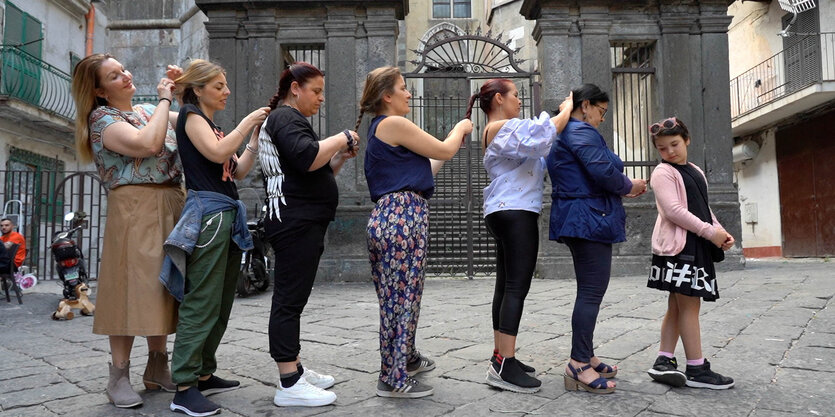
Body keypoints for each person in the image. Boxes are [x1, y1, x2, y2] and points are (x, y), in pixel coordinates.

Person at [70, 53, 184, 408]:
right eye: (114, 75)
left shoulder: (150, 111)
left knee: (162, 286)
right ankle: (118, 375)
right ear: (100, 90)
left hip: (170, 201)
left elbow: (193, 125)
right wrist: (167, 99)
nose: (126, 76)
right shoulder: (102, 119)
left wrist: (185, 94)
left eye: (123, 70)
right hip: (133, 206)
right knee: (128, 289)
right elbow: (148, 145)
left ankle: (157, 366)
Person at [357, 66, 473, 398]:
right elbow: (444, 150)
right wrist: (460, 128)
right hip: (401, 218)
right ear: (387, 96)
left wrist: (453, 142)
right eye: (404, 88)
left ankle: (404, 359)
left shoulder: (386, 130)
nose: (410, 94)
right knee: (401, 300)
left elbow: (427, 169)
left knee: (403, 297)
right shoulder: (392, 123)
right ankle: (392, 377)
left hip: (398, 216)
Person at [163, 59, 270, 416]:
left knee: (221, 301)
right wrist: (247, 123)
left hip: (224, 213)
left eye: (225, 85)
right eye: (219, 86)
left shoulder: (210, 125)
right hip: (209, 217)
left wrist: (252, 138)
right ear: (198, 90)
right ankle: (184, 387)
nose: (226, 91)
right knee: (202, 301)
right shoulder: (192, 119)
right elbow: (217, 153)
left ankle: (204, 373)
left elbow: (235, 169)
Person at [258, 62, 358, 407]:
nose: (321, 99)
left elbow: (314, 167)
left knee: (293, 299)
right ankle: (288, 382)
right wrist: (341, 138)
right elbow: (307, 156)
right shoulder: (285, 117)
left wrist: (338, 156)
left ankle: (295, 369)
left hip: (301, 220)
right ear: (295, 88)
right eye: (316, 91)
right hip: (294, 221)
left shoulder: (291, 121)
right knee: (288, 300)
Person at [465, 80, 573, 393]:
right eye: (514, 95)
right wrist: (566, 110)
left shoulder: (507, 130)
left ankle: (501, 357)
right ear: (498, 98)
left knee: (505, 286)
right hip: (515, 211)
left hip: (505, 211)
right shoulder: (501, 127)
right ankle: (505, 365)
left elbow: (539, 147)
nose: (519, 100)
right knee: (516, 287)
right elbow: (544, 136)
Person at [546, 83, 647, 394]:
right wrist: (629, 185)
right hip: (588, 217)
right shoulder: (579, 131)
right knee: (591, 291)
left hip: (582, 215)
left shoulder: (570, 131)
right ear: (585, 105)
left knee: (589, 290)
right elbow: (602, 171)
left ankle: (586, 354)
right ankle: (578, 364)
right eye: (601, 112)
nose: (603, 118)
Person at [645, 117, 735, 390]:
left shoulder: (695, 170)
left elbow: (702, 208)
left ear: (687, 140)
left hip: (693, 243)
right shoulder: (662, 173)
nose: (670, 151)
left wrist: (719, 231)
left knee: (677, 304)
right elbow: (674, 211)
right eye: (662, 148)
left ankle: (664, 359)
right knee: (689, 304)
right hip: (679, 247)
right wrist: (710, 232)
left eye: (674, 144)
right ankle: (696, 367)